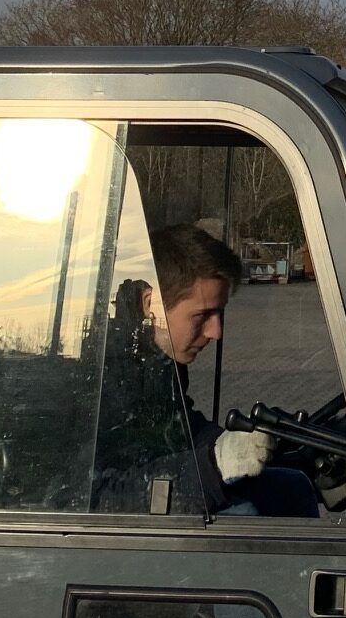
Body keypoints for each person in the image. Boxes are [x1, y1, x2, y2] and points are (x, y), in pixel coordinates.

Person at [94, 222, 315, 518]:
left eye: (219, 313)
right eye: (203, 315)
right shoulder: (98, 378)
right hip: (115, 535)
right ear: (151, 304)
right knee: (247, 514)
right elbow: (98, 498)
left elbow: (178, 427)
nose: (216, 331)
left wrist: (234, 441)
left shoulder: (157, 360)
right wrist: (215, 463)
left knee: (293, 488)